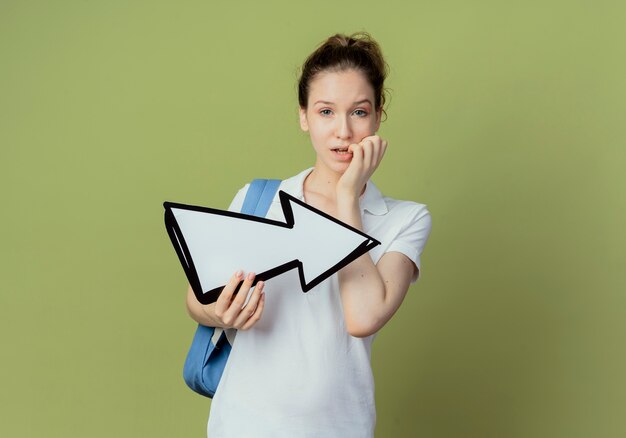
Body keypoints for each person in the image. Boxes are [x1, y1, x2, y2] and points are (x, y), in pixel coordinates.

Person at [186, 32, 432, 437]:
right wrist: (219, 312)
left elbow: (364, 317)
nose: (343, 132)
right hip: (242, 425)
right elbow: (197, 295)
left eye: (358, 112)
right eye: (325, 112)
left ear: (377, 115)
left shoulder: (404, 219)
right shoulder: (260, 198)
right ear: (303, 116)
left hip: (341, 427)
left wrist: (348, 196)